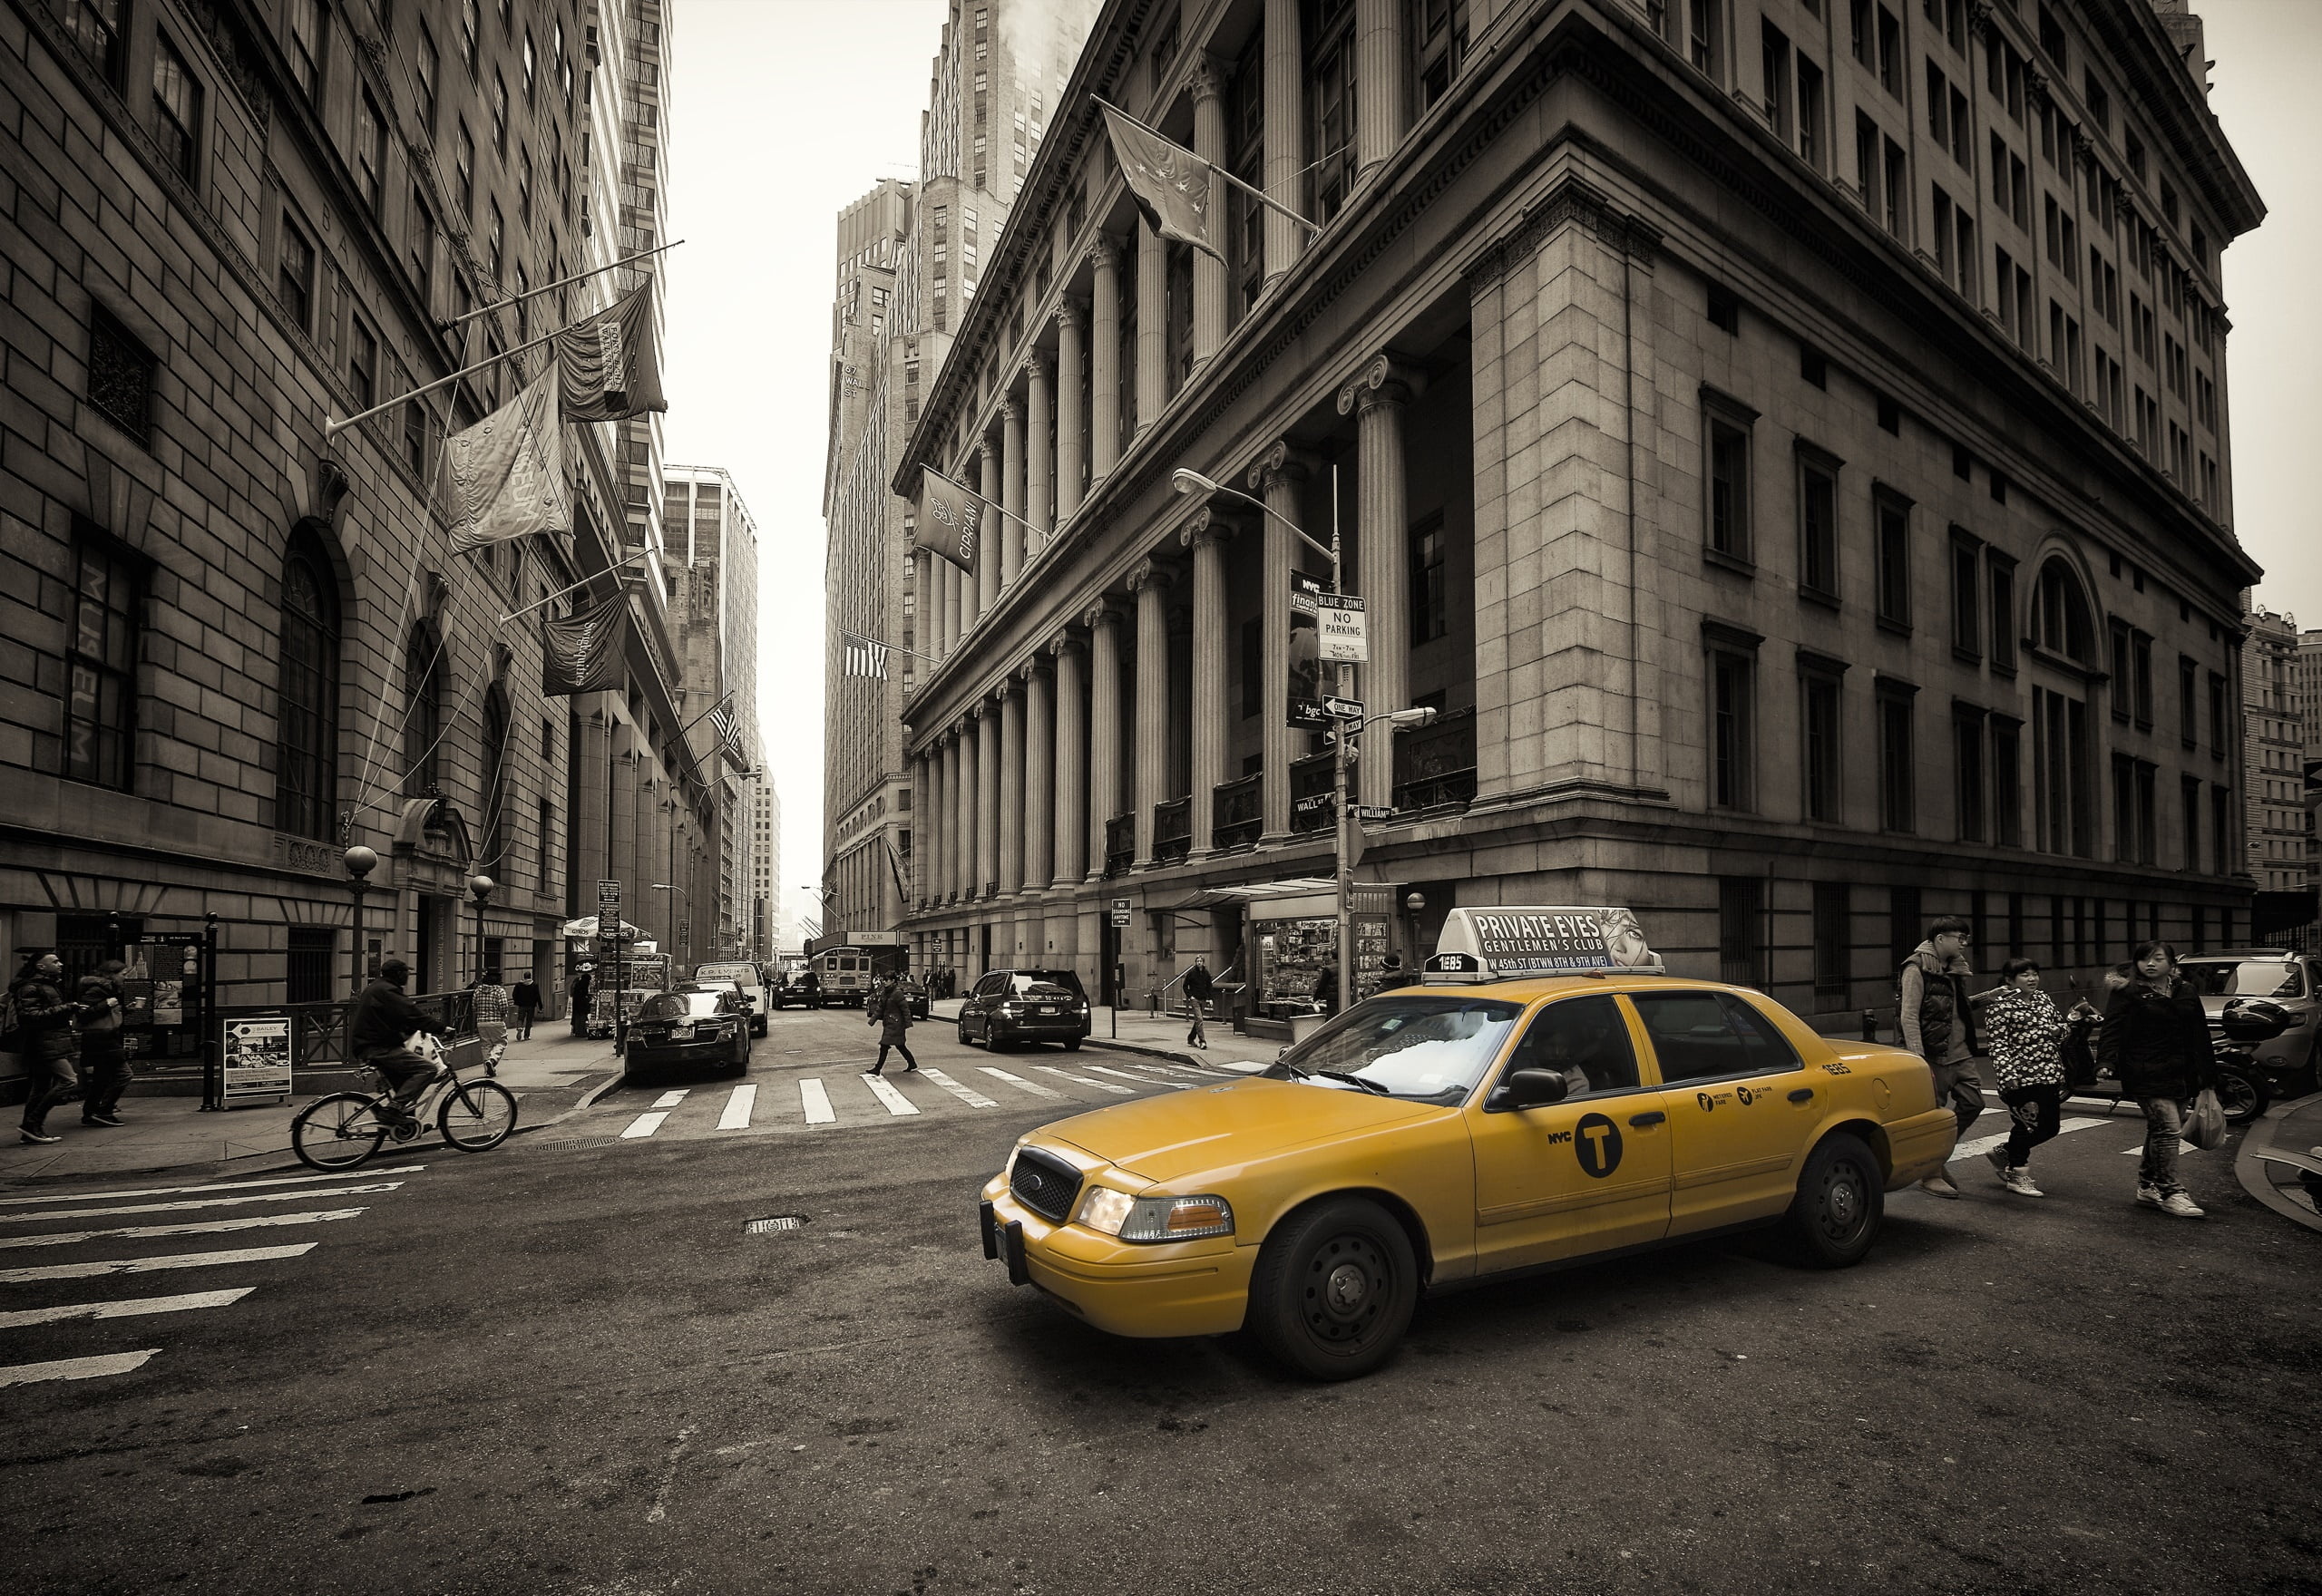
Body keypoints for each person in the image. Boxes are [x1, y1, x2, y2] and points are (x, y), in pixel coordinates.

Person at [2099, 941, 2220, 1220]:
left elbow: (2200, 1033)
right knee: (2168, 1128)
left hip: (2182, 1071)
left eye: (2157, 959)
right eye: (2143, 959)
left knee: (2159, 1130)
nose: (2150, 964)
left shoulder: (2186, 990)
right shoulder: (2128, 992)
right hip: (2144, 1069)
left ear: (2171, 963)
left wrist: (2209, 1076)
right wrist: (2105, 1061)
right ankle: (2170, 1191)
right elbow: (2111, 1028)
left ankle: (2146, 1184)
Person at [1979, 958, 2087, 1198]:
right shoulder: (2000, 1006)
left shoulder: (2042, 998)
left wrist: (2060, 1030)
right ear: (2009, 979)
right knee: (2026, 1126)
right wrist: (2008, 1075)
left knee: (2050, 1127)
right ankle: (2017, 1174)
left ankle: (2003, 1152)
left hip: (2049, 1073)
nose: (2032, 979)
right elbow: (1998, 1045)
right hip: (2020, 1077)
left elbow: (2061, 1027)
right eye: (2025, 975)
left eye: (2034, 974)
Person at [1898, 916, 1985, 1199]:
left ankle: (1937, 1156)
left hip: (1961, 1053)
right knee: (1934, 1115)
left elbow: (1956, 1008)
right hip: (1934, 1054)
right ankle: (1930, 1174)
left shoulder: (1955, 968)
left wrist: (1992, 996)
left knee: (1974, 1103)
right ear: (1939, 939)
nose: (1964, 944)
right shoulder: (1917, 967)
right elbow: (1909, 1014)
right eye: (1958, 938)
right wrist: (1918, 1058)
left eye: (1965, 938)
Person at [350, 959, 449, 1124]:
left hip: (370, 1045)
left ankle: (407, 1125)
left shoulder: (377, 988)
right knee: (427, 1069)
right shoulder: (388, 991)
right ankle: (391, 1111)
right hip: (378, 1048)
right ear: (398, 974)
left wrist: (412, 1029)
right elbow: (411, 1013)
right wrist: (442, 1029)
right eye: (406, 973)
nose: (408, 976)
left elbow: (396, 1017)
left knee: (406, 1085)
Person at [10, 952, 80, 1145]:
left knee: (40, 1086)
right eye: (55, 961)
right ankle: (31, 1124)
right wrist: (67, 1008)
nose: (61, 963)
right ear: (41, 966)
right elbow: (30, 1015)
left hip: (47, 1041)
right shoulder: (31, 987)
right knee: (69, 1081)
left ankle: (30, 1130)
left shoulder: (47, 984)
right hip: (44, 1041)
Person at [73, 959, 131, 1128]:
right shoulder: (97, 990)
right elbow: (83, 1014)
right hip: (100, 1040)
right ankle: (103, 1110)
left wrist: (126, 1009)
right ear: (110, 975)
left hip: (104, 1038)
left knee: (102, 1078)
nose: (125, 978)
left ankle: (91, 1113)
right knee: (124, 1075)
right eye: (123, 974)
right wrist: (106, 1004)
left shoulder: (110, 988)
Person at [864, 975, 917, 1076]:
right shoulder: (885, 992)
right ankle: (912, 1063)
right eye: (884, 980)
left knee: (884, 1045)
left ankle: (877, 1068)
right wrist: (872, 1020)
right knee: (900, 1045)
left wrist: (907, 1023)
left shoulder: (897, 993)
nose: (885, 982)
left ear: (893, 981)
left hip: (896, 1024)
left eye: (887, 980)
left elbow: (905, 1009)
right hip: (889, 1023)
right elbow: (880, 1008)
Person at [471, 970, 512, 1076]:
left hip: (481, 1022)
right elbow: (503, 1007)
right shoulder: (499, 991)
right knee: (501, 1042)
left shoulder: (478, 991)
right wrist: (503, 1015)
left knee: (485, 1046)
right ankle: (493, 1060)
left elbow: (473, 1007)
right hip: (496, 1021)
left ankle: (488, 1070)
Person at [1182, 960, 1215, 1050]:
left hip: (1203, 999)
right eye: (1197, 961)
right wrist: (1190, 996)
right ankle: (1202, 1041)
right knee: (1199, 1018)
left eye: (1200, 961)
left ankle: (1191, 1038)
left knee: (1198, 1020)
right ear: (1196, 962)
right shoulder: (1192, 973)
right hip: (1195, 999)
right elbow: (1185, 986)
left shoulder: (1206, 973)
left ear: (1203, 963)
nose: (1199, 963)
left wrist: (1210, 998)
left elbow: (1209, 987)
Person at [512, 971, 541, 1040]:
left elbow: (514, 994)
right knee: (529, 1020)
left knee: (520, 1018)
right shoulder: (534, 985)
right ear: (530, 977)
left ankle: (519, 1028)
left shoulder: (519, 985)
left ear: (524, 977)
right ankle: (526, 1036)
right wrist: (540, 1006)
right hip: (531, 1006)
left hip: (521, 1005)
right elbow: (537, 996)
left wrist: (517, 1001)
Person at [570, 963, 594, 1039]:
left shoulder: (578, 984)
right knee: (582, 1018)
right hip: (582, 1004)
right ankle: (581, 1032)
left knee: (578, 1017)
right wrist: (588, 998)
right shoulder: (584, 984)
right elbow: (584, 994)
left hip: (577, 1004)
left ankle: (577, 1031)